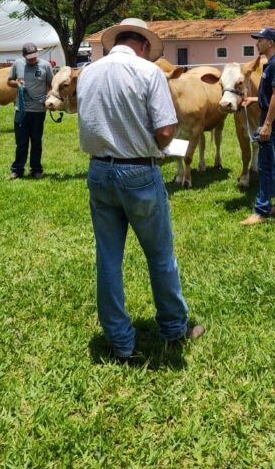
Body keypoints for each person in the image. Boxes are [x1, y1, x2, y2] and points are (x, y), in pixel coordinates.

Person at [77, 18, 204, 362]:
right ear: (144, 46)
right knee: (160, 255)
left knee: (108, 258)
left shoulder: (88, 72)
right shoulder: (149, 73)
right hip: (138, 172)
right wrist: (160, 142)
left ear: (117, 41)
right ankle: (174, 328)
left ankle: (119, 341)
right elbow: (165, 131)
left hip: (99, 171)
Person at [240, 27, 275, 225]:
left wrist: (267, 124)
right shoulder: (271, 64)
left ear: (270, 43)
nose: (257, 43)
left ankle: (261, 211)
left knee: (266, 165)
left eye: (260, 40)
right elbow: (271, 94)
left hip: (273, 121)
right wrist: (254, 99)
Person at [8, 43, 54, 179]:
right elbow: (9, 81)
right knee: (21, 142)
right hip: (21, 110)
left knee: (36, 141)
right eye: (29, 58)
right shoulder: (17, 64)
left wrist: (49, 96)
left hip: (38, 111)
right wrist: (17, 84)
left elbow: (52, 85)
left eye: (34, 57)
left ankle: (36, 169)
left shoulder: (46, 66)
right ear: (23, 56)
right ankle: (17, 170)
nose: (33, 60)